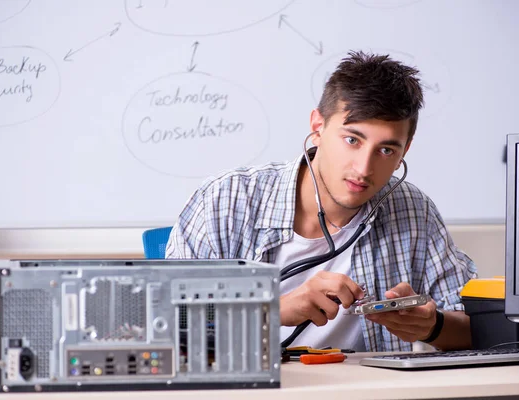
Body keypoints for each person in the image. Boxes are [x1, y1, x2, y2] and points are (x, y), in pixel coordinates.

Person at [165, 51, 477, 352]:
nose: (364, 169)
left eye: (386, 151)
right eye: (352, 140)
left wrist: (432, 326)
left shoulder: (413, 211)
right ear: (318, 127)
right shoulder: (227, 200)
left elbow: (482, 329)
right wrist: (271, 309)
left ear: (404, 152)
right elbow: (163, 324)